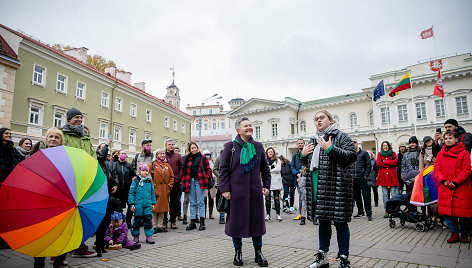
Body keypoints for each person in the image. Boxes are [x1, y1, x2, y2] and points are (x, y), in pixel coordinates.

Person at [299, 110, 356, 268]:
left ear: (330, 120)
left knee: (340, 223)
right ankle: (322, 257)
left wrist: (330, 148)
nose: (318, 121)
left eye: (322, 118)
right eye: (316, 119)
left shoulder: (341, 136)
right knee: (323, 222)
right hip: (318, 187)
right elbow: (306, 162)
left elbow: (351, 156)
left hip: (337, 187)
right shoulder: (313, 139)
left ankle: (343, 258)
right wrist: (302, 155)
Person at [219, 117, 271, 267]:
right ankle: (238, 251)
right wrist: (225, 189)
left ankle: (258, 252)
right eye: (245, 126)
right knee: (236, 223)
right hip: (236, 193)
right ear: (238, 130)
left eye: (250, 125)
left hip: (255, 192)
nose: (249, 127)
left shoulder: (258, 146)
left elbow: (265, 169)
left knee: (257, 222)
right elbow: (223, 170)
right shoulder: (230, 147)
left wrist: (266, 185)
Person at [61, 108, 99, 257]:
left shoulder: (85, 137)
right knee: (66, 215)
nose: (79, 120)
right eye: (76, 117)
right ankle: (61, 249)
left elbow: (92, 157)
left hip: (83, 180)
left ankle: (79, 246)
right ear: (69, 119)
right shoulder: (63, 135)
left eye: (81, 117)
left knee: (80, 213)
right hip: (68, 180)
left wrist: (94, 173)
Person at [30, 128, 68, 267]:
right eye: (50, 136)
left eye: (57, 137)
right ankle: (39, 262)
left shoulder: (65, 157)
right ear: (46, 140)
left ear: (60, 141)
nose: (53, 139)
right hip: (40, 198)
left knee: (59, 233)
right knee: (40, 233)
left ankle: (58, 260)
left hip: (59, 200)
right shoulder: (38, 155)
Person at [434, 131, 472, 243]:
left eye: (450, 138)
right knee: (447, 213)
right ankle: (454, 233)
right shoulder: (441, 154)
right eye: (446, 138)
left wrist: (455, 182)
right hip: (445, 187)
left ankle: (464, 234)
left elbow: (466, 170)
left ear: (456, 139)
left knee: (464, 213)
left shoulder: (464, 153)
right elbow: (437, 169)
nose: (448, 140)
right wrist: (444, 181)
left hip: (461, 187)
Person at [94, 140, 119, 257]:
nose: (106, 151)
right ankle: (98, 247)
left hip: (107, 195)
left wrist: (115, 184)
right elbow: (101, 155)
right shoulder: (97, 160)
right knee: (100, 223)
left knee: (105, 222)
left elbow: (111, 177)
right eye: (102, 148)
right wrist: (107, 144)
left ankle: (101, 245)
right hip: (97, 195)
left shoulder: (107, 164)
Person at [182, 142, 212, 231]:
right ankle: (193, 222)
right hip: (190, 181)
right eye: (192, 148)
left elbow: (208, 169)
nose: (194, 149)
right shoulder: (188, 159)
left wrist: (206, 178)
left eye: (195, 147)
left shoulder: (203, 158)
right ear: (189, 150)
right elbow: (185, 171)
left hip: (200, 181)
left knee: (200, 202)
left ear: (197, 148)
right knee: (192, 202)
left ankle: (202, 222)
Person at [129, 163, 156, 244]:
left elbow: (152, 193)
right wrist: (131, 204)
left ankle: (149, 236)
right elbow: (131, 193)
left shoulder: (149, 182)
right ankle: (136, 236)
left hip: (147, 205)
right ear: (139, 172)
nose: (145, 172)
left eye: (146, 171)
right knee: (137, 221)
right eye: (143, 170)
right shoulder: (135, 181)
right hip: (138, 205)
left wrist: (153, 203)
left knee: (148, 220)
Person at [150, 148, 174, 233]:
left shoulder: (167, 165)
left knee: (163, 208)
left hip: (165, 190)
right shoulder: (152, 165)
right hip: (155, 189)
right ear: (157, 155)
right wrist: (154, 187)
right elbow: (149, 177)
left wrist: (169, 186)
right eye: (160, 154)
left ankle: (160, 226)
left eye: (163, 154)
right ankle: (153, 226)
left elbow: (172, 177)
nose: (162, 155)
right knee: (154, 208)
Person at [376, 141, 399, 218]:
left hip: (392, 176)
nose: (385, 147)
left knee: (393, 194)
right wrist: (390, 163)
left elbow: (395, 162)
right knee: (385, 194)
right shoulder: (379, 154)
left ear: (389, 146)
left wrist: (385, 161)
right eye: (384, 145)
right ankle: (387, 210)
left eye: (386, 145)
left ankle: (394, 210)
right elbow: (378, 163)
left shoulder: (393, 153)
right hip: (383, 176)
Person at [164, 139, 183, 229]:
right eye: (169, 144)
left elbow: (181, 168)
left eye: (172, 144)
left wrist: (178, 178)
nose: (171, 146)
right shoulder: (162, 155)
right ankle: (164, 221)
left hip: (175, 182)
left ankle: (173, 220)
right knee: (164, 202)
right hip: (164, 183)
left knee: (174, 202)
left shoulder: (178, 156)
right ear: (166, 146)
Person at [352, 140, 372, 221]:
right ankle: (360, 212)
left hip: (362, 178)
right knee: (357, 197)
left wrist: (366, 176)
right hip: (354, 178)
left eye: (354, 143)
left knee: (366, 196)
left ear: (357, 144)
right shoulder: (351, 154)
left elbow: (368, 165)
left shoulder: (364, 153)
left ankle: (369, 213)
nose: (353, 145)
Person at [114, 150, 134, 226]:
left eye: (125, 154)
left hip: (127, 189)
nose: (124, 155)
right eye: (122, 153)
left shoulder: (129, 165)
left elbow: (132, 175)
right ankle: (119, 221)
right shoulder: (115, 164)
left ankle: (128, 221)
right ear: (118, 155)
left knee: (130, 205)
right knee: (118, 206)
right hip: (118, 190)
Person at [265, 147, 282, 222]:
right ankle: (268, 214)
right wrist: (272, 168)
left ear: (274, 152)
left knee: (277, 199)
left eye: (272, 152)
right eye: (269, 152)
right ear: (267, 153)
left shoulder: (277, 160)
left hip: (276, 182)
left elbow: (278, 169)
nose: (270, 153)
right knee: (267, 200)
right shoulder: (264, 160)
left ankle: (278, 214)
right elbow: (263, 170)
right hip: (267, 182)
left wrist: (269, 169)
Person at [291, 138, 305, 222]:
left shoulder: (307, 153)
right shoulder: (295, 155)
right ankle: (301, 214)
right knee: (300, 196)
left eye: (301, 143)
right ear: (297, 145)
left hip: (306, 177)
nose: (300, 144)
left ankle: (311, 215)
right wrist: (297, 173)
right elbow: (292, 167)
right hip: (298, 179)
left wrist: (303, 173)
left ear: (304, 144)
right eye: (299, 143)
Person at [203, 150, 217, 219]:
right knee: (204, 198)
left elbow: (214, 170)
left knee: (211, 197)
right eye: (206, 155)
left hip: (212, 181)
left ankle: (210, 213)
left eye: (208, 154)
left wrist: (213, 176)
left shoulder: (213, 162)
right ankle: (204, 213)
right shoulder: (202, 162)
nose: (207, 156)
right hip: (205, 180)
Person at [213, 149, 226, 224]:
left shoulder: (233, 157)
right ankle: (222, 216)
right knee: (221, 199)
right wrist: (220, 175)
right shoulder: (219, 158)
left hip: (232, 182)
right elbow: (215, 169)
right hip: (222, 181)